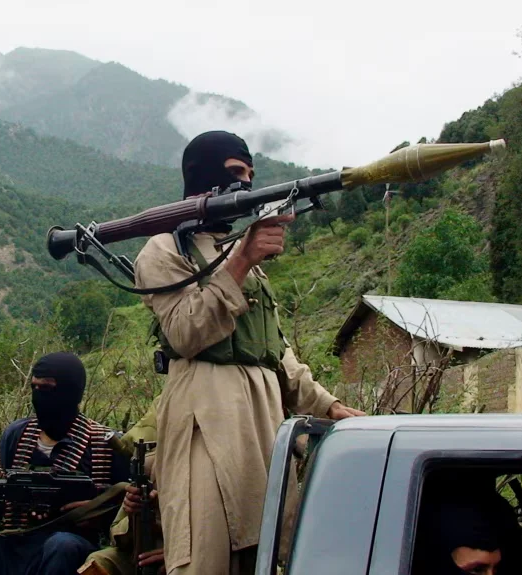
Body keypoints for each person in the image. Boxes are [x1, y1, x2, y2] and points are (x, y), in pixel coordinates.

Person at [132, 130, 365, 574]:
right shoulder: (163, 249)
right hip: (205, 412)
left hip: (263, 418)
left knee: (269, 548)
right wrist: (241, 258)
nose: (246, 184)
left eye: (251, 176)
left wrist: (330, 406)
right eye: (236, 174)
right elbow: (184, 333)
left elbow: (274, 351)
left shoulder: (244, 258)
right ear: (205, 176)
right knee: (207, 552)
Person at [0, 352, 131, 575]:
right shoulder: (18, 435)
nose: (38, 396)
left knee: (62, 546)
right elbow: (0, 504)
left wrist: (96, 515)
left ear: (70, 391)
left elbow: (126, 513)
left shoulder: (104, 444)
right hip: (11, 544)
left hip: (67, 548)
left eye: (46, 389)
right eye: (34, 388)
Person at [80, 396, 167, 575]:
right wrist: (133, 512)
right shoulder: (150, 465)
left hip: (194, 556)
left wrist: (179, 555)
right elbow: (117, 536)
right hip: (145, 556)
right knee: (99, 563)